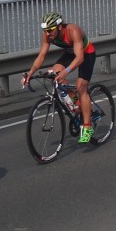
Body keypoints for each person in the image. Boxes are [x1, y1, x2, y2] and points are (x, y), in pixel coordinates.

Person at [22, 13, 97, 143]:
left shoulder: (73, 31)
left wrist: (66, 71)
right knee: (54, 73)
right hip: (69, 53)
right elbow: (42, 55)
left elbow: (80, 58)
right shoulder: (47, 35)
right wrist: (30, 73)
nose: (47, 33)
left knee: (81, 87)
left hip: (85, 54)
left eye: (50, 30)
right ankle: (76, 101)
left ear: (60, 26)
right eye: (45, 30)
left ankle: (87, 126)